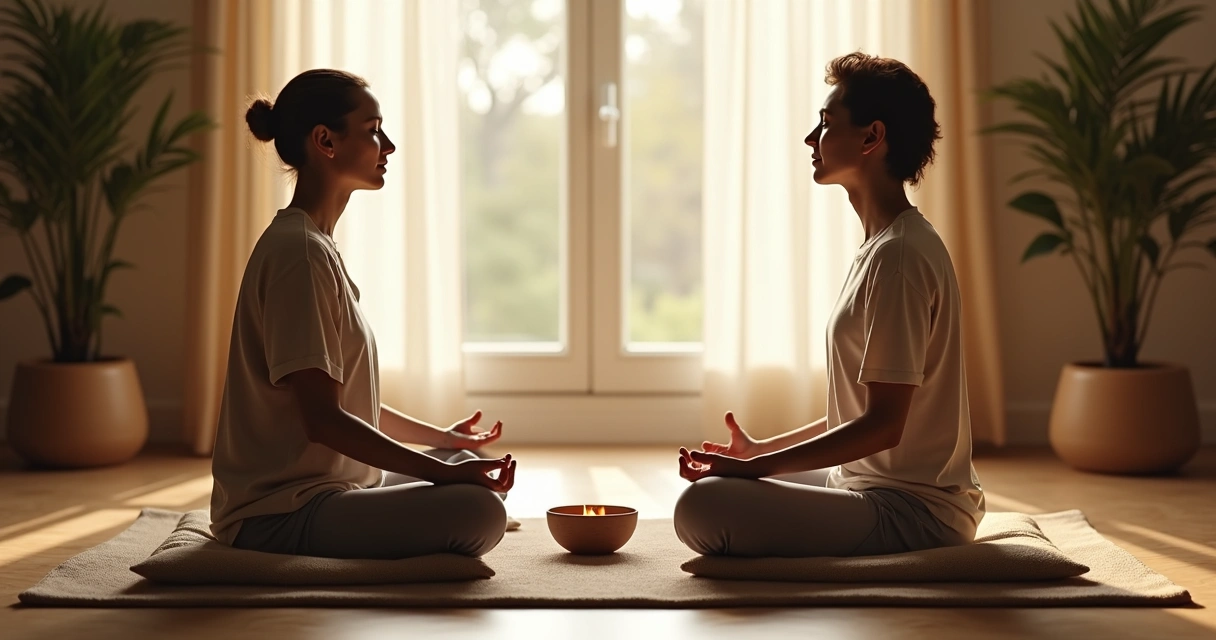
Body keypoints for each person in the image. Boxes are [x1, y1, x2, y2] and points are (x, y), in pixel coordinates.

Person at [673, 52, 984, 558]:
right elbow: (862, 410)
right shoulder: (884, 245)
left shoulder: (899, 257)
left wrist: (755, 470)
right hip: (873, 486)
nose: (810, 140)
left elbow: (885, 424)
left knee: (703, 507)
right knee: (714, 491)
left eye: (824, 124)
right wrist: (761, 452)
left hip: (914, 511)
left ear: (871, 138)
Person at [208, 69, 517, 560]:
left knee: (460, 460)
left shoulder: (314, 246)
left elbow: (344, 400)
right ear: (325, 141)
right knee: (478, 512)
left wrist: (444, 441)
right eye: (373, 130)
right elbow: (324, 421)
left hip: (330, 489)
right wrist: (445, 476)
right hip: (282, 514)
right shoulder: (299, 256)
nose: (388, 145)